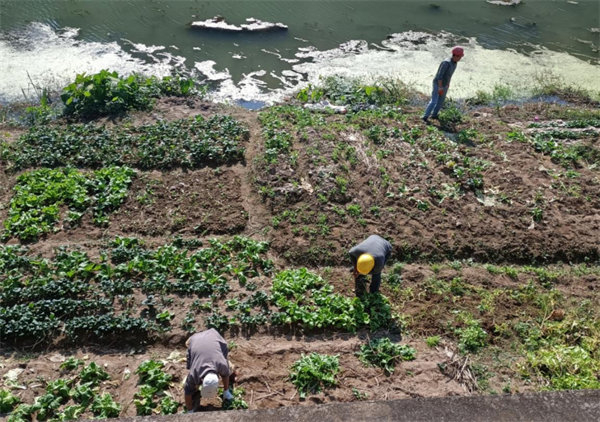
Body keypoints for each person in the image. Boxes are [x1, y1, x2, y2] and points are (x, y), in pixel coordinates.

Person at [184, 328, 235, 412]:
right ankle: (196, 387)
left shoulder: (222, 365)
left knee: (226, 363)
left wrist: (226, 391)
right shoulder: (194, 374)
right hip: (195, 339)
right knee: (192, 384)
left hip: (214, 336)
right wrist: (190, 410)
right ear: (202, 380)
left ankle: (226, 392)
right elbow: (187, 393)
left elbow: (225, 375)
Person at [422, 46, 464, 123]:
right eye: (460, 56)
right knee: (434, 101)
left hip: (445, 84)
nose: (460, 58)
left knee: (441, 101)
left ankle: (434, 115)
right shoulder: (446, 63)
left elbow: (449, 75)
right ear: (455, 55)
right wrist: (440, 88)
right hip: (438, 84)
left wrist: (448, 84)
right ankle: (425, 117)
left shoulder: (455, 63)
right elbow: (439, 76)